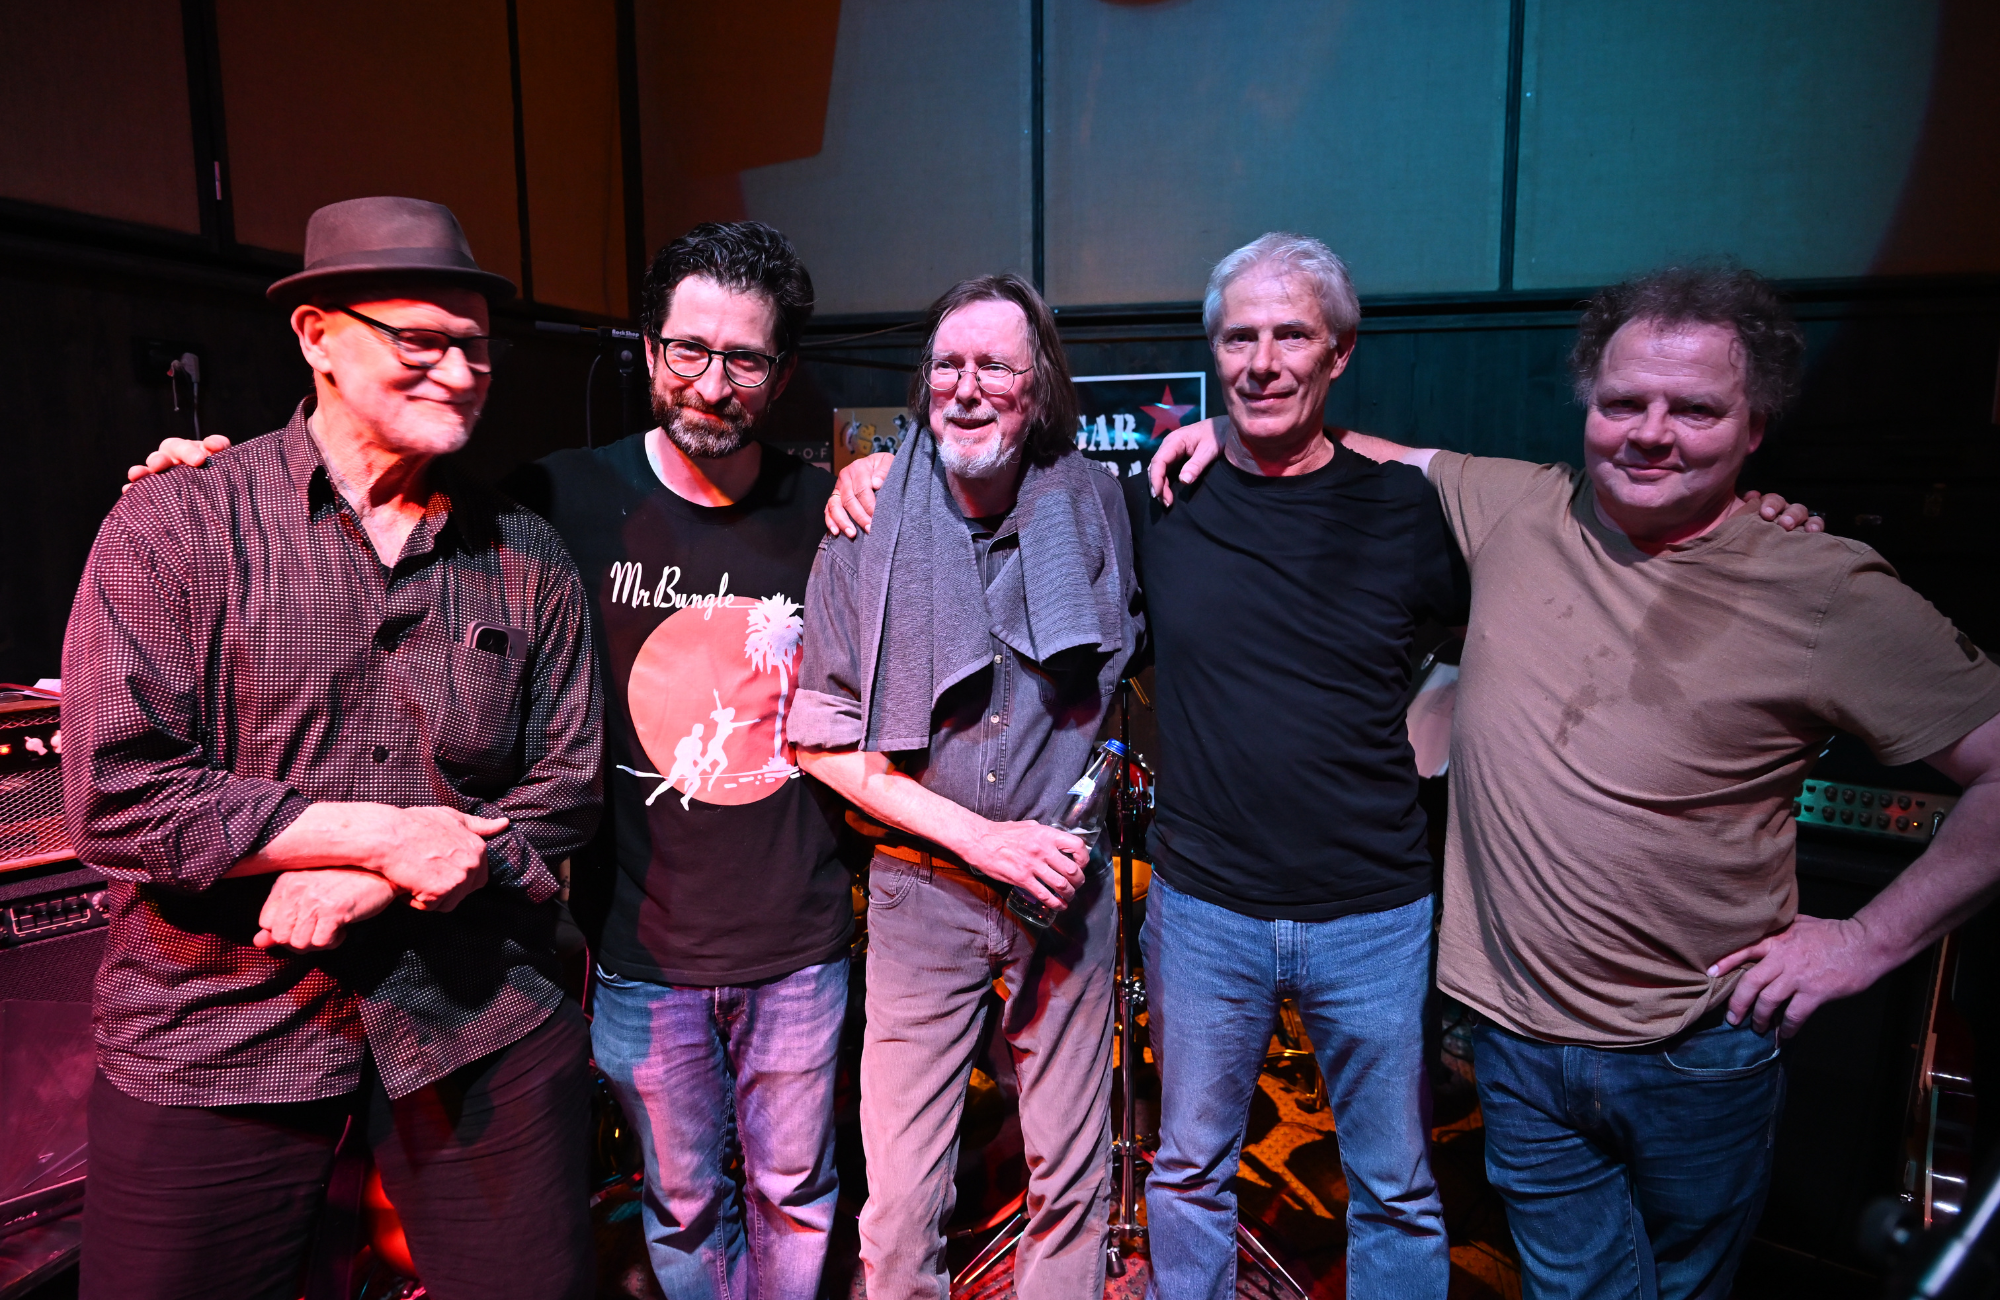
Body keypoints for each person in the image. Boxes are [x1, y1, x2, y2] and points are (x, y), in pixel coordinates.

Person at [1149, 265, 2000, 1300]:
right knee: (1572, 1287)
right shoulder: (1519, 505)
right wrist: (1223, 431)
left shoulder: (1818, 584)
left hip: (1693, 1044)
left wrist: (1866, 939)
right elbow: (1344, 440)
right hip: (1513, 1040)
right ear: (1586, 407)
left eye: (1695, 409)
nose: (1651, 434)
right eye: (1622, 402)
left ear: (1755, 427)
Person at [126, 221, 858, 1300]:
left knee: (797, 1190)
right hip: (636, 946)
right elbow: (347, 491)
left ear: (781, 372)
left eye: (744, 359)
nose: (713, 383)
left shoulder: (825, 516)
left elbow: (569, 782)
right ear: (648, 349)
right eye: (688, 350)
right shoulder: (553, 500)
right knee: (682, 1201)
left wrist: (881, 473)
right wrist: (205, 477)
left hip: (780, 944)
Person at [62, 195, 604, 1300]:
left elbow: (565, 787)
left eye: (476, 348)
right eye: (421, 341)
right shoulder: (177, 524)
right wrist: (386, 835)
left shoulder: (527, 554)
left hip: (475, 1009)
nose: (460, 371)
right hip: (215, 1022)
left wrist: (374, 881)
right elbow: (119, 792)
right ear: (317, 336)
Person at [790, 272, 1142, 1300]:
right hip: (921, 892)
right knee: (901, 1201)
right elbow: (820, 744)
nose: (967, 385)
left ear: (1040, 387)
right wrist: (982, 842)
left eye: (995, 364)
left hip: (1063, 888)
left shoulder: (1097, 508)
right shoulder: (864, 528)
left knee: (1071, 1184)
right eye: (947, 364)